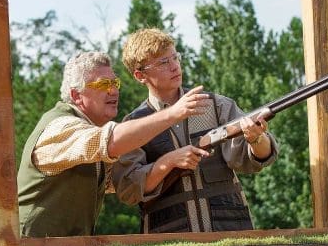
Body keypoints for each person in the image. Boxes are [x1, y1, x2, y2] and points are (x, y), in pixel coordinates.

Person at [17, 51, 211, 237]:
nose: (113, 90)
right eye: (103, 84)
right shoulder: (60, 126)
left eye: (114, 82)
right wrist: (173, 113)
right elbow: (111, 141)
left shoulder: (89, 131)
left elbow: (124, 182)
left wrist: (168, 161)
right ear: (76, 96)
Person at [112, 28, 279, 234]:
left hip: (230, 232)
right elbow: (128, 189)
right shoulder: (134, 124)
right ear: (140, 75)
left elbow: (260, 157)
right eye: (163, 62)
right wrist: (168, 162)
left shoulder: (216, 105)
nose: (175, 66)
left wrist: (256, 139)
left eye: (175, 57)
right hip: (168, 241)